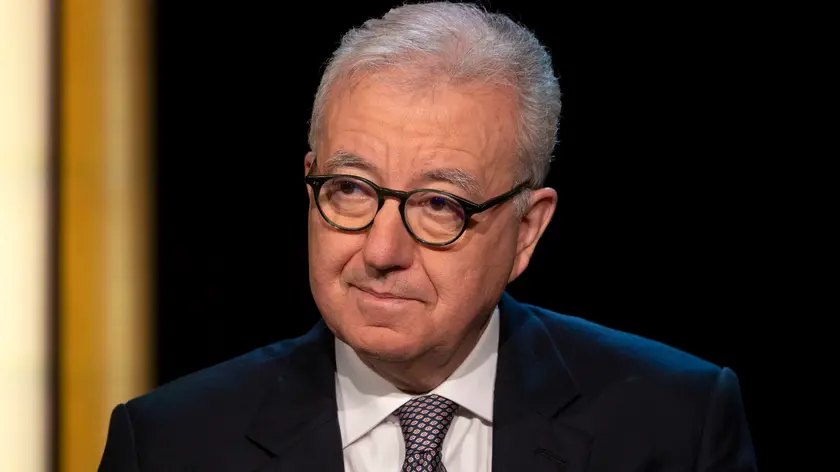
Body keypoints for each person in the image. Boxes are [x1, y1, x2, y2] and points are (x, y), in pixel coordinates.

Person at [99, 2, 756, 471]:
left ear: (527, 230)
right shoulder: (168, 445)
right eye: (351, 189)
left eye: (439, 204)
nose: (381, 252)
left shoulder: (676, 426)